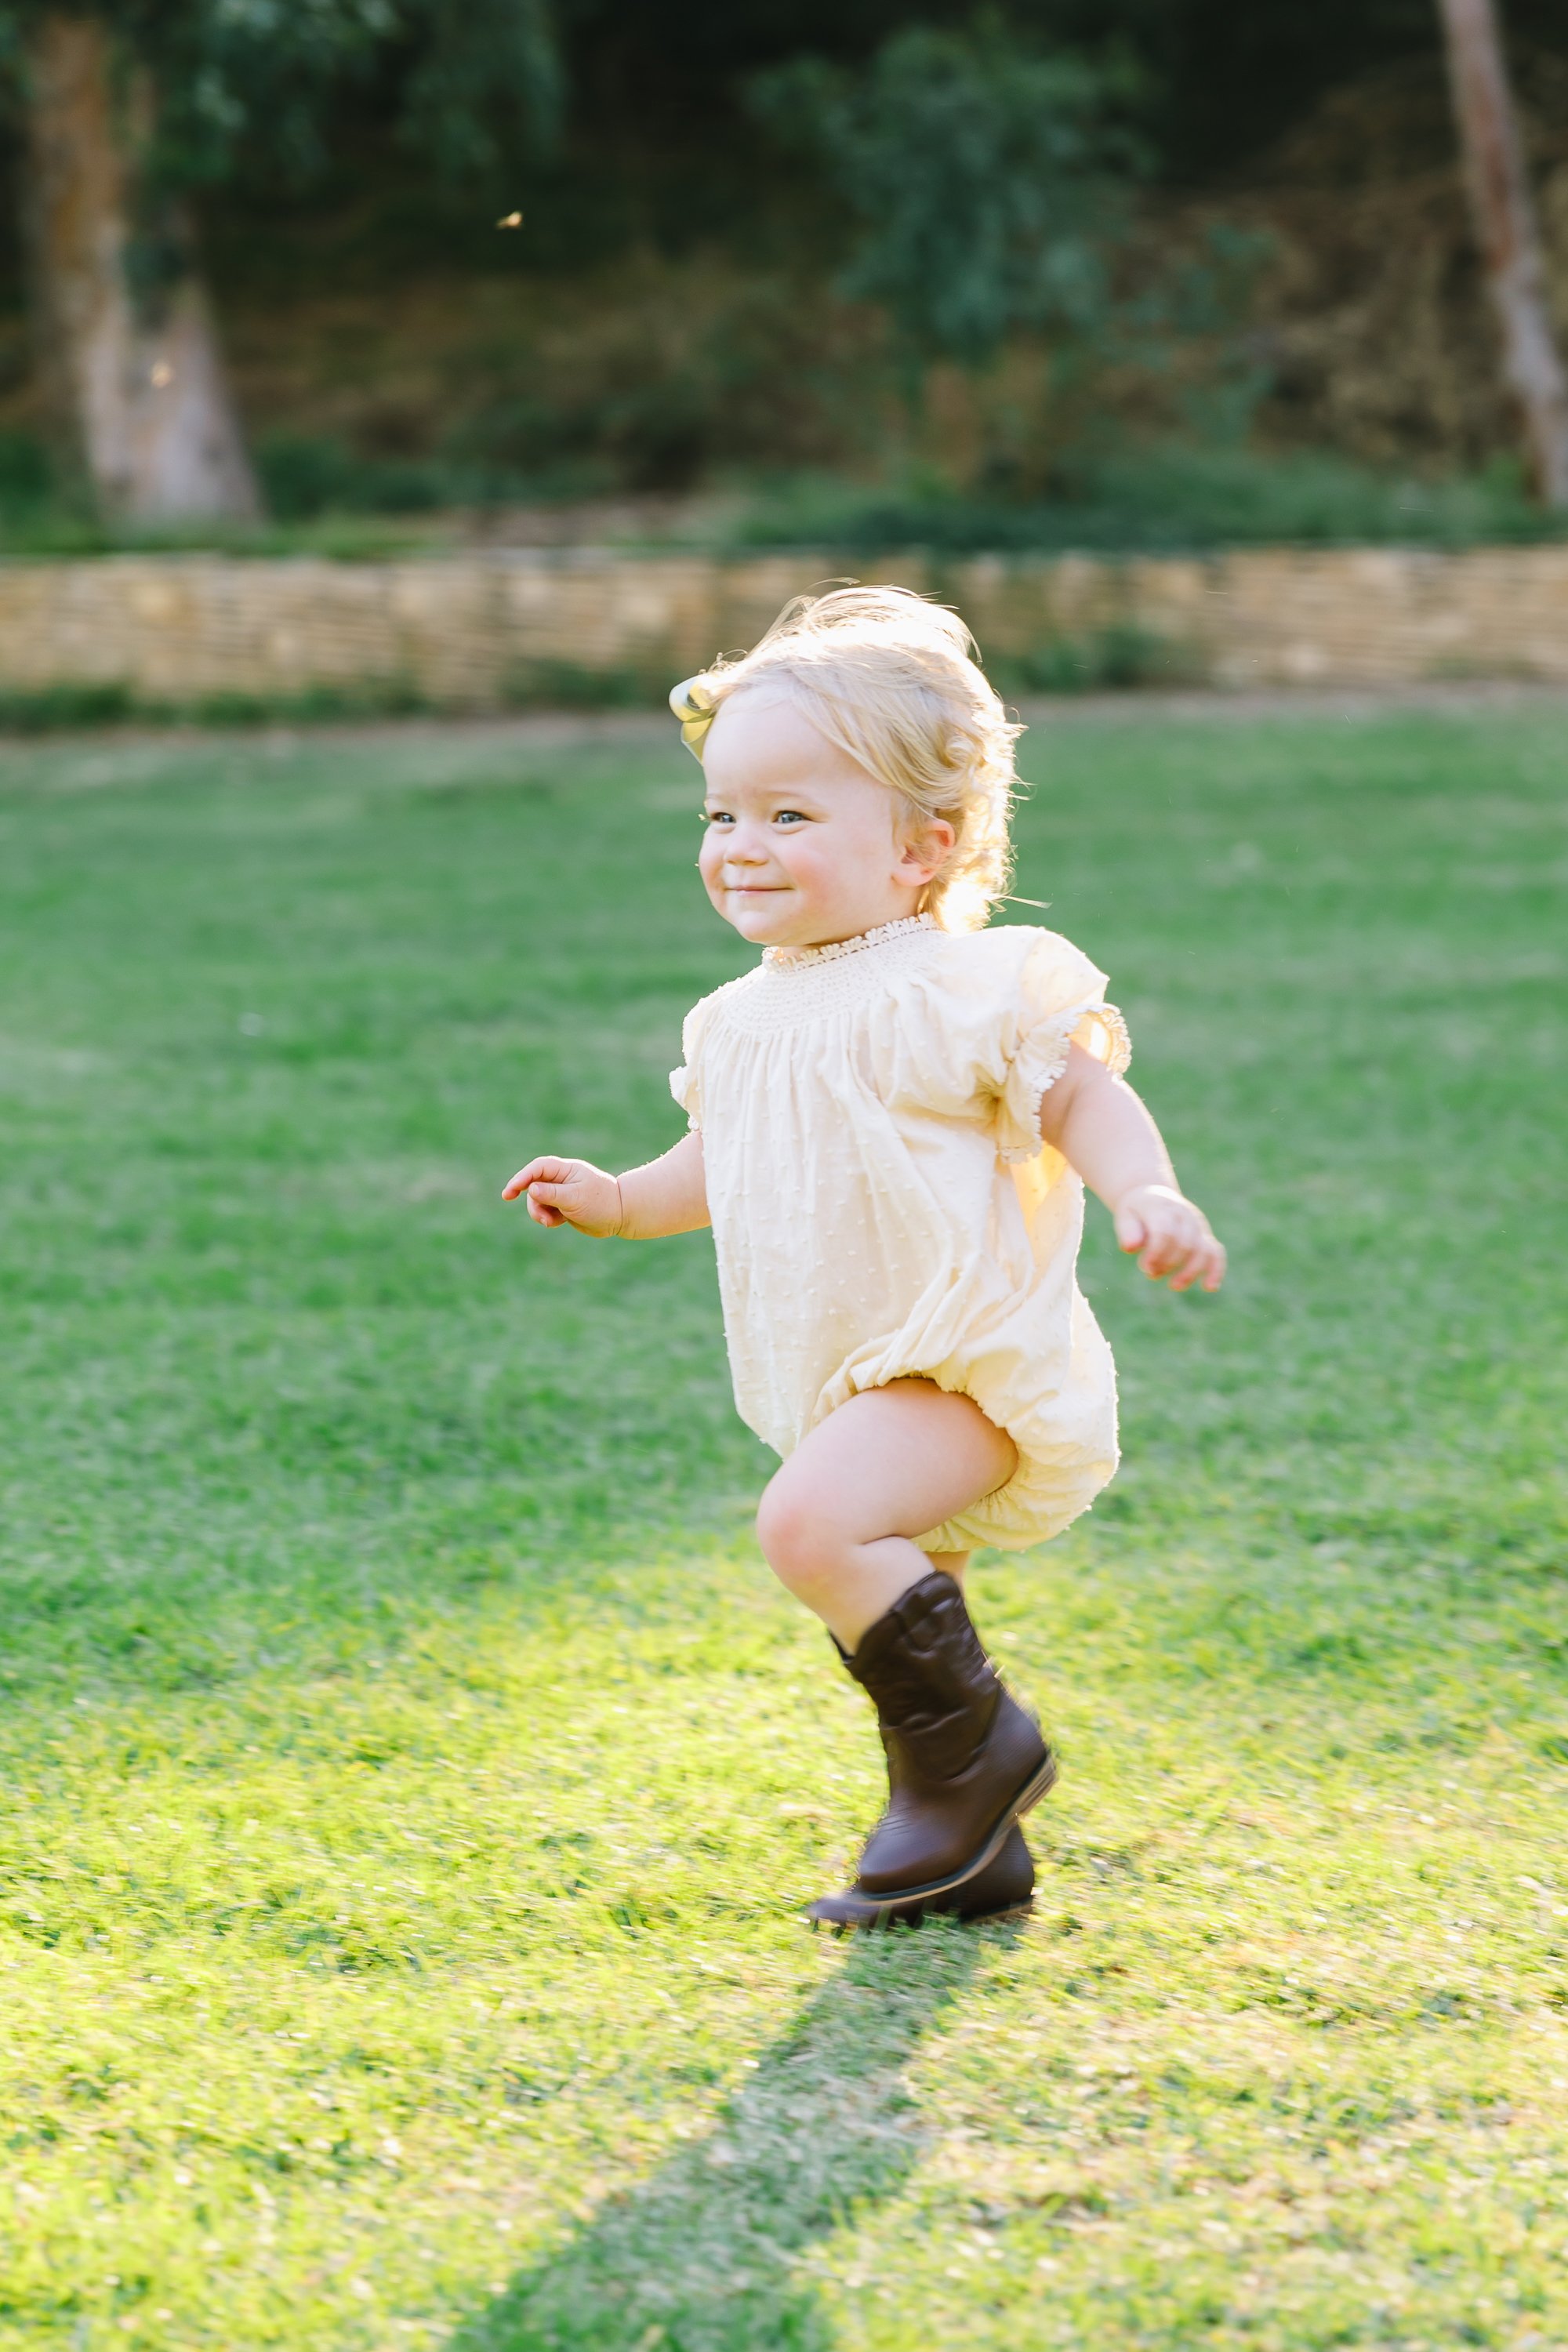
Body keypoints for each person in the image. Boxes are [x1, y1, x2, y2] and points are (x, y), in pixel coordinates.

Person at [504, 586, 1225, 1931]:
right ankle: (962, 1841)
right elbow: (725, 1167)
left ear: (921, 846)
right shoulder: (736, 1021)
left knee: (811, 1525)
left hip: (964, 1370)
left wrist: (1147, 1193)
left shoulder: (964, 987)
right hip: (847, 1378)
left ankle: (988, 1755)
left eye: (790, 815)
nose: (741, 846)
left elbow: (1075, 1096)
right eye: (722, 814)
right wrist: (614, 1197)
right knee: (896, 1588)